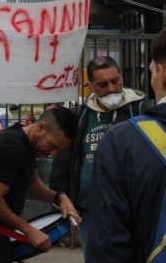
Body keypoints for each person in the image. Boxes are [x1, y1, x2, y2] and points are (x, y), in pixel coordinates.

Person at [49, 55, 147, 247]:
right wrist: (61, 196)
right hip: (90, 213)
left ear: (121, 77)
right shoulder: (81, 115)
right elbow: (65, 160)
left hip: (133, 211)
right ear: (90, 86)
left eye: (115, 81)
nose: (111, 88)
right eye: (102, 84)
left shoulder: (140, 111)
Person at [86, 28, 166, 263]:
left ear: (161, 73)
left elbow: (110, 241)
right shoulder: (84, 118)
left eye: (151, 70)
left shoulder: (123, 140)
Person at [0, 107, 81, 263]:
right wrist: (29, 230)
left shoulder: (28, 146)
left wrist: (59, 197)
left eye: (59, 150)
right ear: (41, 127)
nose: (53, 154)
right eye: (53, 145)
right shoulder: (13, 147)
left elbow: (31, 186)